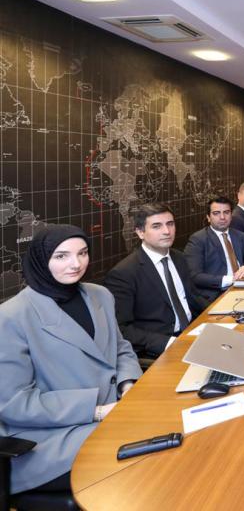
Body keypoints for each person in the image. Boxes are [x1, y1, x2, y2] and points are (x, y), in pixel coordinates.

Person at [0, 225, 142, 495]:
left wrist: (128, 386)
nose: (76, 264)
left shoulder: (100, 295)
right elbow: (14, 403)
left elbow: (121, 348)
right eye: (61, 256)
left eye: (83, 253)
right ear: (42, 260)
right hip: (51, 438)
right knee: (145, 467)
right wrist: (97, 411)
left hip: (114, 415)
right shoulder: (11, 316)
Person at [104, 204, 205, 359]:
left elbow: (192, 298)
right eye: (156, 226)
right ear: (140, 232)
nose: (167, 231)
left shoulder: (179, 258)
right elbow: (122, 329)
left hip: (192, 333)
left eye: (170, 224)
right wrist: (170, 343)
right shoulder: (124, 273)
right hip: (161, 348)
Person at [184, 197, 244, 303]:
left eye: (226, 212)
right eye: (216, 213)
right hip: (217, 294)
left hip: (242, 287)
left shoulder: (239, 236)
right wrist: (231, 279)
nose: (222, 217)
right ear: (208, 217)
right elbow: (195, 276)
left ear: (231, 215)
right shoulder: (198, 240)